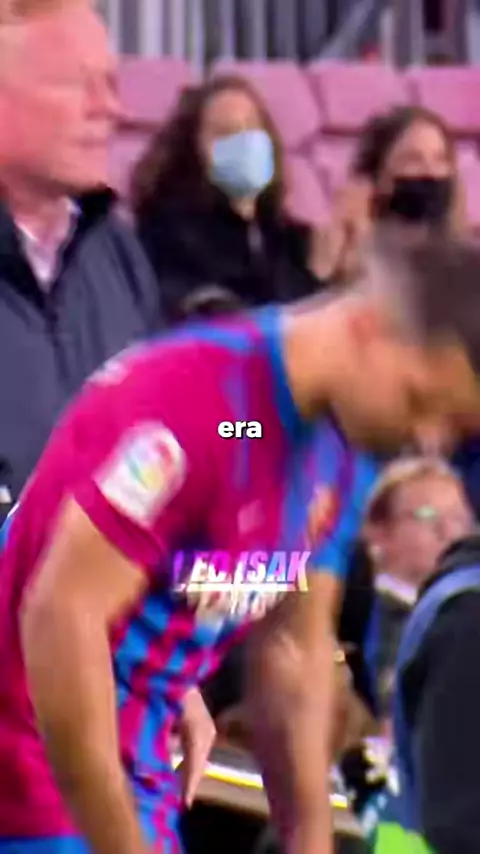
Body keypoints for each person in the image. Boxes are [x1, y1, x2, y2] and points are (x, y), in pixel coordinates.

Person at [2, 234, 480, 854]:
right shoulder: (205, 400)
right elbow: (61, 618)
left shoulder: (339, 441)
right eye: (420, 402)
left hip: (136, 766)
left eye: (451, 424)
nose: (428, 437)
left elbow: (293, 648)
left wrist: (310, 841)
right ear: (368, 329)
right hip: (32, 766)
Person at [0, 0, 165, 513]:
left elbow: (172, 428)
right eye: (76, 84)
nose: (108, 108)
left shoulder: (116, 250)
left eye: (111, 84)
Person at [132, 75, 325, 324]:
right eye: (225, 133)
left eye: (253, 128)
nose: (245, 142)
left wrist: (323, 274)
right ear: (192, 150)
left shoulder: (290, 240)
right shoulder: (165, 236)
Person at [363, 456, 474, 725]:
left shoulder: (466, 610)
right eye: (427, 515)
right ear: (379, 533)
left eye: (459, 519)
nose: (449, 532)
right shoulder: (356, 615)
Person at [315, 105, 465, 285]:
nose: (431, 172)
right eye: (412, 160)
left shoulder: (466, 267)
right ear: (377, 176)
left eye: (441, 160)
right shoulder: (352, 260)